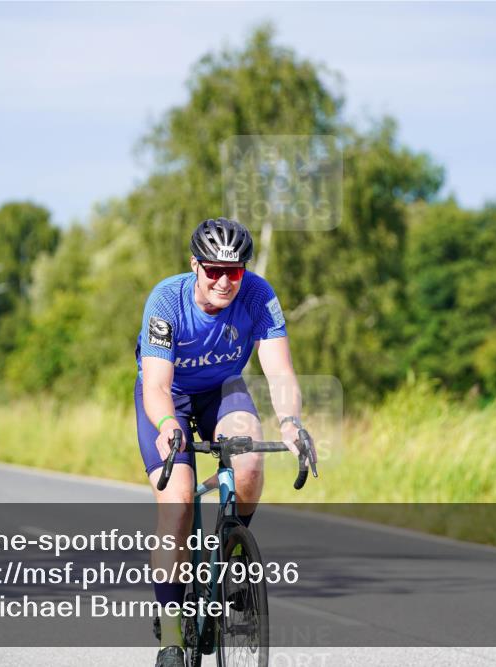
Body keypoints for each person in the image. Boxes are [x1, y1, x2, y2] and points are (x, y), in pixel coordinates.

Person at [135, 217, 306, 666]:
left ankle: (233, 556)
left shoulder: (258, 295)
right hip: (168, 395)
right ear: (195, 266)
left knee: (248, 464)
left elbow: (280, 371)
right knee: (177, 504)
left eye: (235, 271)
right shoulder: (166, 301)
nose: (224, 281)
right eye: (213, 270)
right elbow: (154, 384)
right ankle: (171, 633)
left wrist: (290, 421)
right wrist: (170, 425)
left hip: (223, 389)